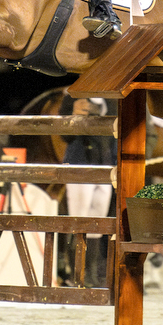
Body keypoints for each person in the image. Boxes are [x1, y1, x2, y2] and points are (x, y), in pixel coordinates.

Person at [60, 95, 116, 287]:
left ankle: (90, 274)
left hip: (104, 166)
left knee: (97, 225)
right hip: (80, 164)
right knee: (79, 222)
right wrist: (73, 115)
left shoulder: (113, 100)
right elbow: (64, 135)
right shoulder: (72, 98)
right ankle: (74, 273)